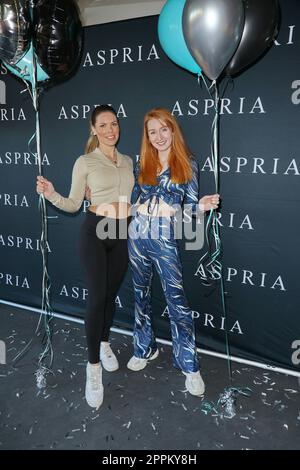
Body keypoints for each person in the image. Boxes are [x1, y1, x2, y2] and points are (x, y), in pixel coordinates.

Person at [36, 104, 134, 410]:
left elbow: (130, 198)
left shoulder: (129, 161)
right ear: (94, 129)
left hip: (120, 232)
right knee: (96, 299)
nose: (110, 130)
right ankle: (92, 369)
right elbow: (72, 203)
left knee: (110, 296)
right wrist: (51, 193)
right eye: (103, 125)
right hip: (95, 231)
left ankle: (104, 343)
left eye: (114, 124)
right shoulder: (85, 162)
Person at [127, 107, 219, 397]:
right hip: (137, 237)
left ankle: (189, 365)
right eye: (152, 131)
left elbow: (189, 211)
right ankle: (144, 348)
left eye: (163, 129)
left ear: (172, 129)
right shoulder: (142, 161)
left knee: (176, 299)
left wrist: (200, 206)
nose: (158, 136)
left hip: (165, 239)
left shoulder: (189, 163)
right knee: (139, 295)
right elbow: (132, 202)